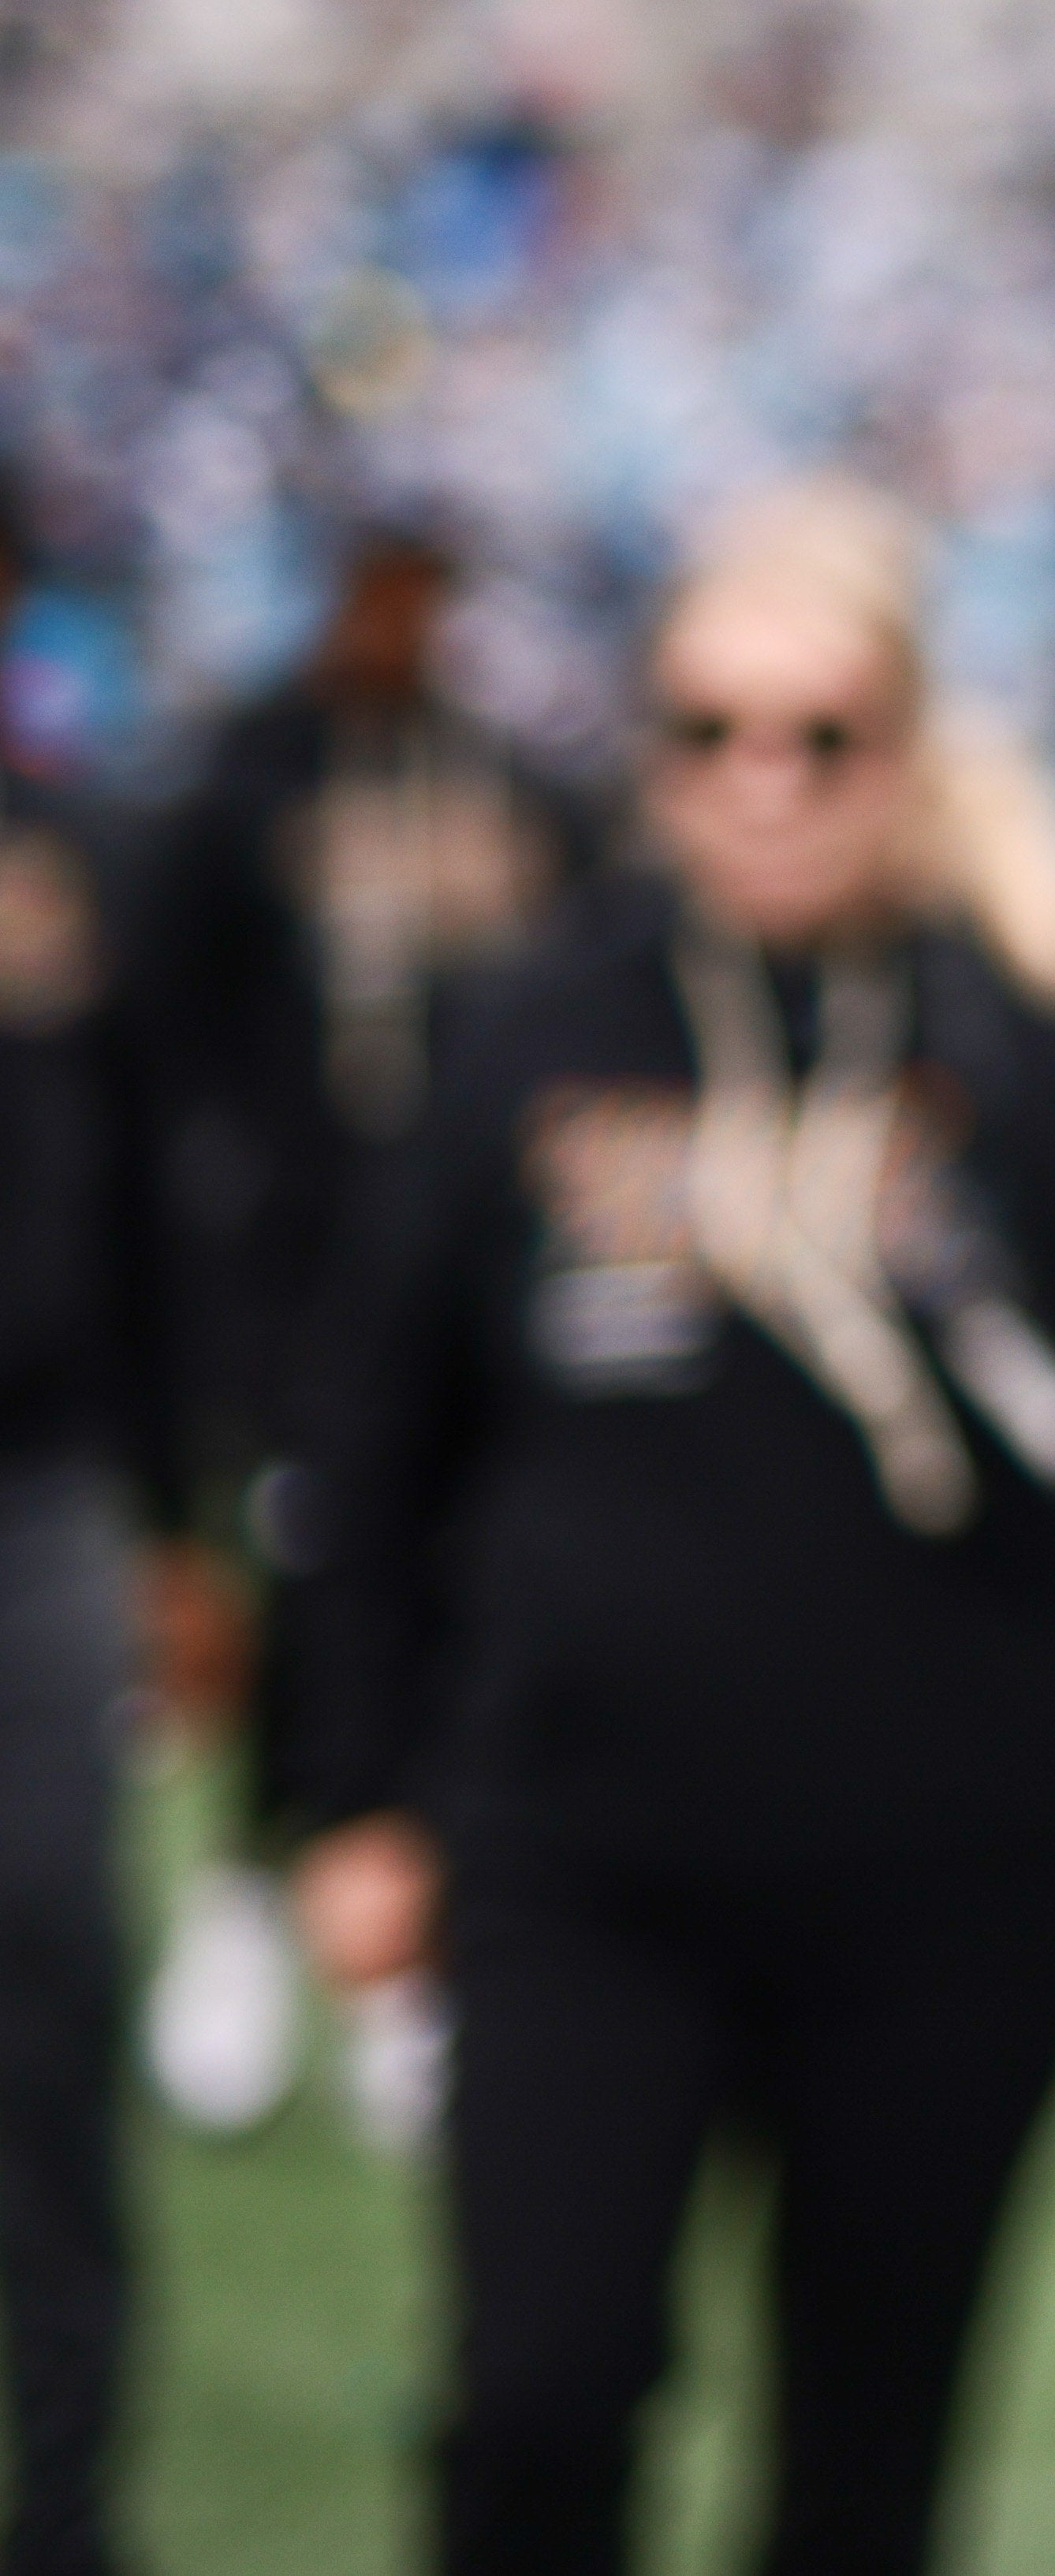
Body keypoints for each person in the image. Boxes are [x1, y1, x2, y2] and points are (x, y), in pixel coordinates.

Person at [275, 486, 1055, 2576]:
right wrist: (351, 1797)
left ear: (906, 750)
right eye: (708, 731)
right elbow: (375, 1438)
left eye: (823, 733)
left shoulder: (1036, 1042)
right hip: (577, 1864)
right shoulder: (540, 1026)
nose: (764, 783)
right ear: (651, 754)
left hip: (953, 1886)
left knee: (860, 2465)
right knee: (535, 2401)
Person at [132, 520, 580, 2143]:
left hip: (461, 1275)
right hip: (293, 1278)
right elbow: (158, 1027)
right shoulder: (255, 777)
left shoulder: (497, 779)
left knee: (455, 1583)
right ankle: (256, 1895)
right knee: (315, 1582)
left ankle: (407, 1953)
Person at [0, 478, 158, 2576]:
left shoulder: (76, 853)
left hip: (31, 1492)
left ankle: (74, 2500)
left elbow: (135, 1197)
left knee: (46, 2016)